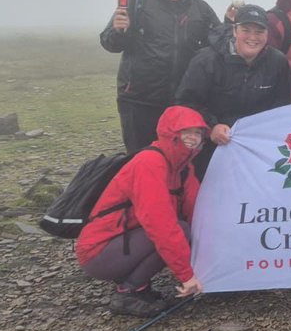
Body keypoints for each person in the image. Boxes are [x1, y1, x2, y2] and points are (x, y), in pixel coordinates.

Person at [76, 106, 207, 317]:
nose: (193, 137)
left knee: (184, 230)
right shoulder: (149, 163)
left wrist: (210, 259)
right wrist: (186, 275)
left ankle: (138, 287)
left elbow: (198, 213)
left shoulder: (183, 168)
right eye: (186, 131)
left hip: (127, 241)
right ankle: (127, 293)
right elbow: (160, 225)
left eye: (198, 132)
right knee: (178, 231)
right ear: (170, 133)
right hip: (98, 252)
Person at [100, 0, 219, 153]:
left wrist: (233, 23)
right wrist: (118, 31)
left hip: (183, 101)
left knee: (181, 159)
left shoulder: (200, 9)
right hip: (139, 100)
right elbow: (110, 43)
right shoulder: (135, 2)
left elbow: (219, 42)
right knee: (142, 160)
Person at [175, 4, 291, 175]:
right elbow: (185, 103)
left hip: (257, 147)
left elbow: (281, 107)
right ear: (235, 30)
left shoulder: (278, 62)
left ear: (267, 34)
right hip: (212, 147)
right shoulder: (206, 60)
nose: (252, 37)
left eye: (259, 31)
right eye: (246, 30)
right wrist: (211, 127)